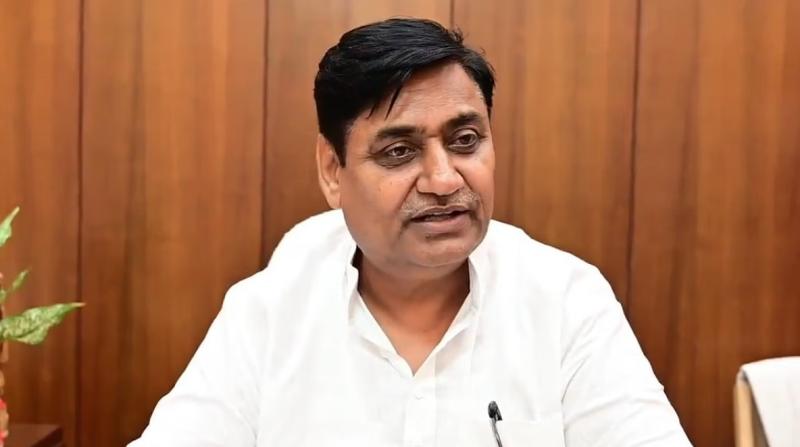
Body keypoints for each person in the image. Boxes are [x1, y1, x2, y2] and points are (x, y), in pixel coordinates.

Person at [130, 18, 691, 446]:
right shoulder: (270, 311)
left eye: (466, 141)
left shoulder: (566, 300)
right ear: (333, 171)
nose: (445, 180)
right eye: (399, 151)